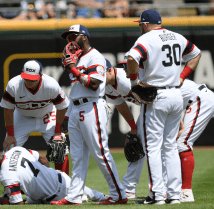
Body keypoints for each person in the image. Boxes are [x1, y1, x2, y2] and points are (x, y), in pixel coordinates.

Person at [126, 9, 201, 205]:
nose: (140, 27)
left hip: (156, 95)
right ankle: (174, 195)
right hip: (176, 94)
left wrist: (134, 82)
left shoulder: (147, 39)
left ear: (144, 24)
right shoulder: (177, 36)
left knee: (152, 148)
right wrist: (182, 77)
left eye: (140, 24)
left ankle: (157, 195)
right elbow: (196, 54)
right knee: (170, 146)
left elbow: (132, 58)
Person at [51, 24, 127, 205]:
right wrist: (68, 115)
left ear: (84, 37)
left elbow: (93, 84)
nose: (69, 41)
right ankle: (74, 196)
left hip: (92, 105)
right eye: (68, 38)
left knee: (100, 153)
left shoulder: (95, 56)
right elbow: (77, 87)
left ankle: (119, 194)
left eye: (73, 36)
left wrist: (74, 70)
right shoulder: (76, 59)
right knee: (78, 156)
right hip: (77, 107)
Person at [0, 144, 108, 204]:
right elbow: (42, 158)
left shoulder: (6, 175)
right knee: (30, 199)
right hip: (56, 179)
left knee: (95, 196)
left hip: (59, 191)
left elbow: (17, 204)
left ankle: (86, 197)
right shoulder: (16, 150)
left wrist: (5, 201)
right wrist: (45, 175)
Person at [0, 60, 70, 175]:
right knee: (8, 151)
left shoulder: (50, 84)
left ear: (41, 75)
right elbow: (8, 109)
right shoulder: (14, 85)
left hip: (46, 116)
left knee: (59, 148)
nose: (29, 81)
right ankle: (10, 189)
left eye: (32, 79)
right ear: (22, 73)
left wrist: (57, 131)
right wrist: (10, 134)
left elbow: (62, 107)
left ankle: (64, 186)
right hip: (22, 116)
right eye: (26, 78)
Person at [105, 56, 145, 200]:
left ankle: (166, 188)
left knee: (161, 146)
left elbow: (157, 97)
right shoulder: (106, 86)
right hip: (150, 108)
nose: (98, 78)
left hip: (167, 102)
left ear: (109, 71)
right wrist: (133, 128)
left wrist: (179, 122)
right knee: (139, 142)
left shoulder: (126, 81)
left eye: (100, 74)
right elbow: (120, 105)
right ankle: (129, 189)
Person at [172, 79, 214, 202]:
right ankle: (176, 190)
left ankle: (186, 193)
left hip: (200, 98)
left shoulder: (156, 84)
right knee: (178, 143)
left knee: (183, 143)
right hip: (196, 100)